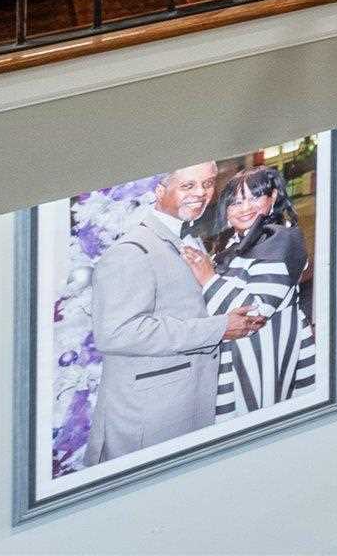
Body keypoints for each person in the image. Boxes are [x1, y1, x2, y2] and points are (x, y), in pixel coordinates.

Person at [85, 164, 261, 464]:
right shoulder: (131, 251)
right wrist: (219, 329)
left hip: (184, 407)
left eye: (206, 184)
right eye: (188, 186)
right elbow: (117, 333)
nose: (201, 193)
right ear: (159, 190)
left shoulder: (187, 238)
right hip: (149, 417)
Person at [198, 161, 317, 417]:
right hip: (240, 358)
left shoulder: (280, 239)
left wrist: (207, 278)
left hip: (262, 362)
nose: (245, 208)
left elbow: (255, 313)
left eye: (255, 197)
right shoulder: (234, 241)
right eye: (236, 202)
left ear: (272, 197)